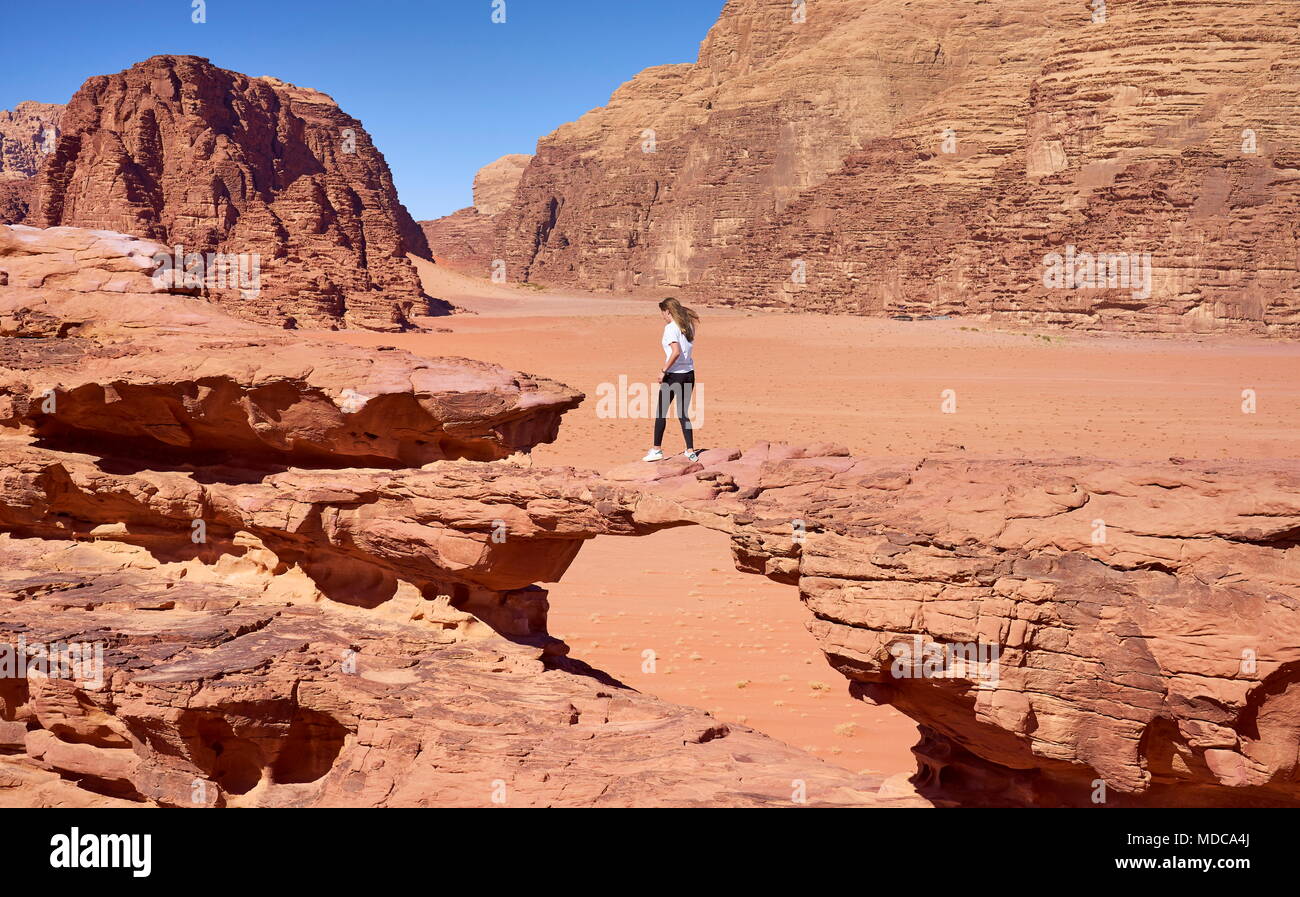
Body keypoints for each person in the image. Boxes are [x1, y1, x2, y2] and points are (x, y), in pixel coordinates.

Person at [642, 297, 699, 462]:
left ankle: (657, 450)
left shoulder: (671, 328)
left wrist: (663, 371)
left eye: (663, 312)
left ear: (668, 311)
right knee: (683, 413)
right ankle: (690, 450)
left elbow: (675, 352)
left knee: (661, 412)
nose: (662, 316)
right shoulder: (688, 326)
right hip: (689, 374)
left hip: (674, 375)